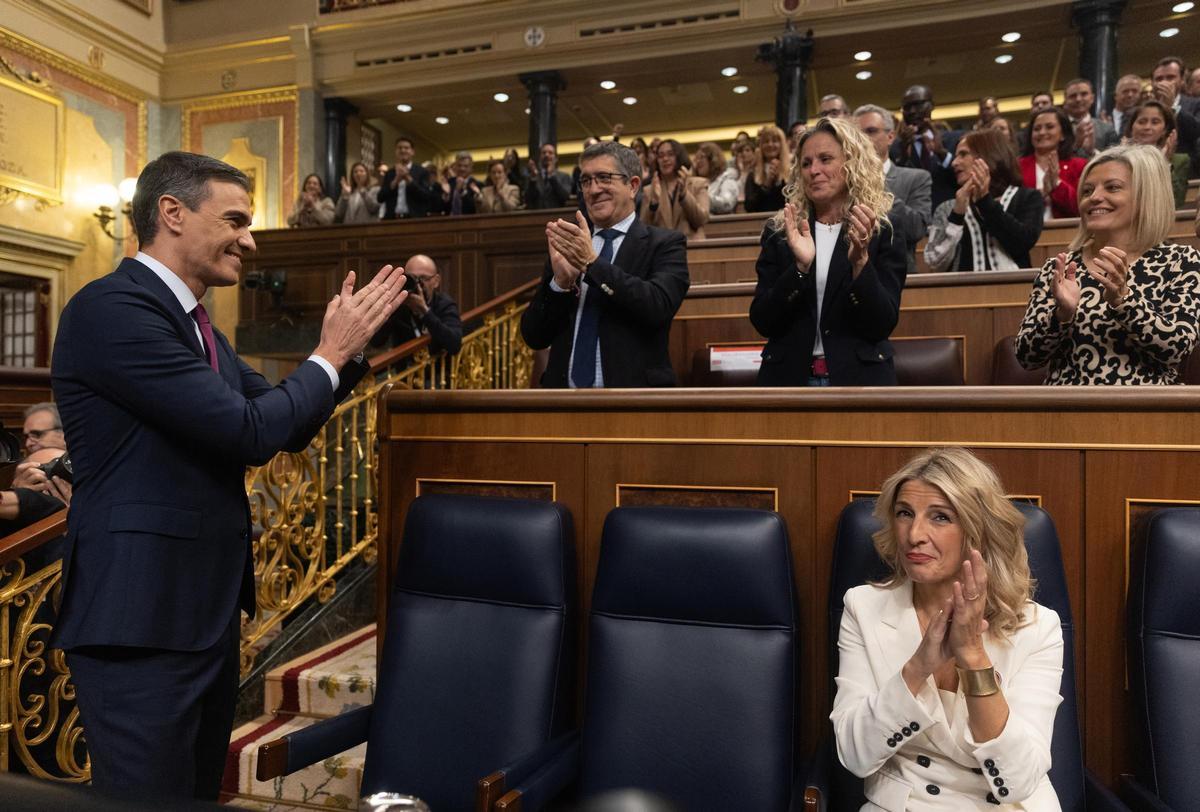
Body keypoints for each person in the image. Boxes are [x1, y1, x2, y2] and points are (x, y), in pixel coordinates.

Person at [49, 151, 407, 799]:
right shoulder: (114, 310)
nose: (249, 239)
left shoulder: (196, 325)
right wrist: (328, 352)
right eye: (236, 219)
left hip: (200, 619)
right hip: (140, 620)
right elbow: (247, 431)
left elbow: (281, 423)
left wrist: (347, 353)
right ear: (172, 213)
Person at [831, 446, 1064, 811]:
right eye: (905, 513)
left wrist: (972, 657)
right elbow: (854, 754)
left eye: (940, 517)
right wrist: (917, 666)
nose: (915, 534)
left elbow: (1019, 781)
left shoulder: (1038, 628)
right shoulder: (863, 608)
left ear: (977, 531)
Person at [1016, 144, 1200, 384]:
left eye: (1112, 187)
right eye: (1087, 190)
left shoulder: (1181, 262)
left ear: (1146, 196)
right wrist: (1061, 315)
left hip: (1149, 414)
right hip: (1064, 413)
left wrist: (1124, 300)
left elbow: (1176, 348)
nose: (1094, 198)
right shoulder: (1060, 267)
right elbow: (1026, 357)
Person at [750, 117, 907, 386]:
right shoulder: (781, 231)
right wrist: (799, 270)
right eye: (806, 163)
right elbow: (763, 320)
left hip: (859, 380)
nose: (814, 170)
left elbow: (881, 324)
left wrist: (861, 265)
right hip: (787, 380)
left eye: (825, 159)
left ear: (851, 164)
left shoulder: (882, 227)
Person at [520, 141, 689, 388]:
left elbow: (657, 307)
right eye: (586, 181)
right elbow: (535, 336)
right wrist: (560, 285)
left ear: (632, 186)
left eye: (604, 178)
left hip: (634, 406)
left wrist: (592, 264)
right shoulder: (569, 246)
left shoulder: (665, 243)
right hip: (562, 406)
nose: (593, 189)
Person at [925, 129, 1044, 273]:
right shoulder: (947, 207)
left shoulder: (1028, 198)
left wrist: (985, 201)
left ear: (988, 155)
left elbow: (1021, 243)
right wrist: (956, 216)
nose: (954, 163)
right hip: (962, 293)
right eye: (956, 156)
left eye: (963, 154)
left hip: (1016, 291)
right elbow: (934, 262)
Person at [855, 103, 932, 275]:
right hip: (849, 279)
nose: (863, 139)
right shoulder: (842, 180)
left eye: (871, 131)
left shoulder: (917, 178)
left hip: (900, 281)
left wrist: (873, 184)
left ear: (890, 137)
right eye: (858, 134)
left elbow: (916, 230)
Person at [369, 253, 462, 355]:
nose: (417, 284)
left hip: (438, 369)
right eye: (412, 278)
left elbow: (455, 345)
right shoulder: (400, 306)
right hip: (406, 369)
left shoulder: (444, 304)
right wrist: (392, 309)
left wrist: (425, 312)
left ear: (436, 281)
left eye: (423, 278)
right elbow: (376, 342)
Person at [891, 84, 963, 209]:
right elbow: (893, 188)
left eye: (918, 104)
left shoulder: (955, 140)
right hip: (913, 218)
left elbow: (963, 179)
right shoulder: (895, 147)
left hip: (950, 214)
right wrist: (903, 156)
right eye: (907, 107)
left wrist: (942, 153)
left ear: (931, 106)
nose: (912, 111)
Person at [1019, 107, 1086, 219]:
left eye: (1049, 127)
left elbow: (1082, 208)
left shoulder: (1079, 166)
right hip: (1027, 234)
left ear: (1063, 134)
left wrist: (1057, 185)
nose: (1042, 132)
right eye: (1036, 129)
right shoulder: (1017, 167)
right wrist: (1038, 197)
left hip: (1067, 233)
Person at [1124, 101, 1189, 208]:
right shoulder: (1119, 158)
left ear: (1165, 130)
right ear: (1132, 127)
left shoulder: (1180, 161)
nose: (1147, 127)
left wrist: (1164, 163)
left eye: (1155, 122)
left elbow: (1177, 202)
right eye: (1142, 122)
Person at [641, 138, 709, 239]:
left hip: (692, 248)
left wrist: (684, 195)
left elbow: (701, 220)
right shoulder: (649, 190)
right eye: (660, 156)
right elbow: (643, 228)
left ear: (679, 157)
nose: (665, 159)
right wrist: (653, 205)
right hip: (662, 250)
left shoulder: (698, 184)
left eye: (670, 154)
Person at [378, 136, 437, 218]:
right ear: (396, 152)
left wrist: (408, 179)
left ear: (412, 152)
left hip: (414, 219)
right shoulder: (390, 173)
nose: (403, 150)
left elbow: (426, 196)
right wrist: (395, 181)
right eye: (400, 148)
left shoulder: (422, 171)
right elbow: (380, 198)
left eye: (406, 148)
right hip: (392, 219)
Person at [1062, 78, 1119, 159]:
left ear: (1092, 98)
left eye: (1084, 94)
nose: (1078, 99)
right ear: (1065, 100)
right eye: (1073, 96)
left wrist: (1092, 151)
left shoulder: (1106, 129)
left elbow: (1114, 160)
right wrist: (1075, 145)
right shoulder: (1057, 128)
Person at [744, 124, 791, 213]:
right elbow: (749, 207)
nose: (770, 144)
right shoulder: (753, 175)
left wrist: (778, 182)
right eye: (766, 141)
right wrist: (766, 185)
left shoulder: (792, 171)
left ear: (782, 144)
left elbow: (792, 202)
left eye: (775, 141)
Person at [692, 141, 740, 215]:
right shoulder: (697, 183)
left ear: (713, 159)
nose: (698, 162)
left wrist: (702, 197)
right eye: (696, 158)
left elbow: (726, 203)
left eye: (702, 157)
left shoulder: (727, 179)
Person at [526, 142, 573, 209]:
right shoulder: (532, 177)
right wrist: (533, 179)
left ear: (556, 158)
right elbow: (528, 200)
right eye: (544, 153)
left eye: (550, 153)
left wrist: (551, 177)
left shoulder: (564, 176)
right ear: (540, 157)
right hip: (536, 217)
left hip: (557, 215)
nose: (547, 155)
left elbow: (565, 197)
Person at [439, 150, 482, 216]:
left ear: (471, 168)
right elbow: (440, 208)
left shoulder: (478, 185)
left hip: (471, 223)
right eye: (459, 165)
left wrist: (460, 191)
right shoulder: (448, 183)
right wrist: (446, 195)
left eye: (465, 166)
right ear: (455, 166)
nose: (462, 169)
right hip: (449, 223)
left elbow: (476, 208)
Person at [1111, 74, 1145, 138]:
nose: (1130, 95)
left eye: (1135, 91)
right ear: (1116, 95)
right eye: (1125, 91)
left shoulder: (1146, 119)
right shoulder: (1102, 118)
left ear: (1140, 94)